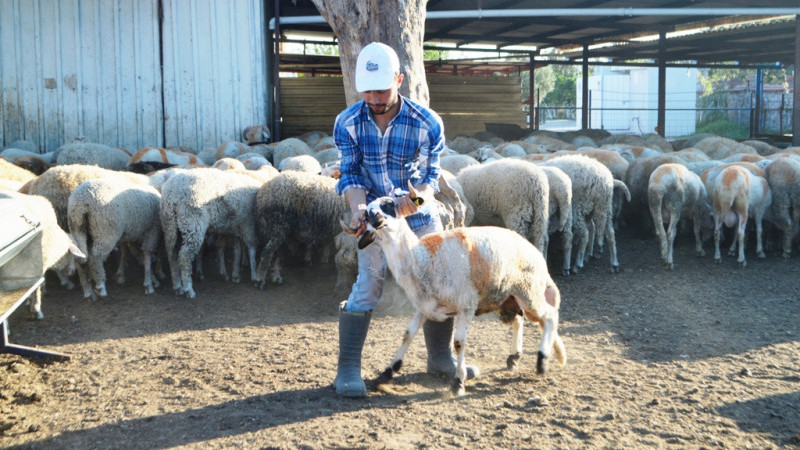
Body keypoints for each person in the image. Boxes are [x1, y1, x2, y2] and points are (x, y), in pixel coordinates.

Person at [332, 42, 478, 398]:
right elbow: (349, 174)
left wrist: (411, 201)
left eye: (382, 90)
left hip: (417, 213)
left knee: (440, 279)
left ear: (399, 79)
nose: (374, 98)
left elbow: (430, 180)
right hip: (372, 214)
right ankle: (348, 368)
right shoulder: (347, 123)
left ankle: (440, 358)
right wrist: (356, 210)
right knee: (370, 281)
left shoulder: (427, 122)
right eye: (367, 91)